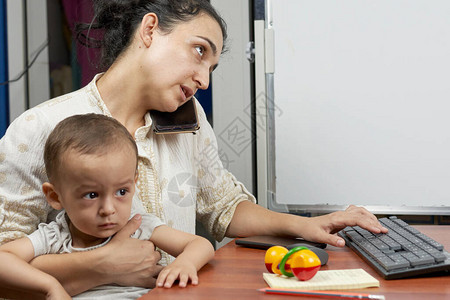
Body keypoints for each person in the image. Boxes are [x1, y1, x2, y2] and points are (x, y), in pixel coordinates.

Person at [0, 0, 387, 297]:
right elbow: (5, 266)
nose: (203, 79)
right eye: (199, 51)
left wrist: (307, 225)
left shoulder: (188, 119)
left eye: (212, 68)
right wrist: (100, 266)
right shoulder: (41, 128)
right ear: (150, 29)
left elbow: (221, 206)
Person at [0, 114, 215, 299]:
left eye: (122, 192)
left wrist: (185, 264)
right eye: (92, 195)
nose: (108, 209)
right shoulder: (55, 236)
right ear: (55, 196)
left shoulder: (138, 225)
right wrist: (50, 285)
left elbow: (200, 245)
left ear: (134, 184)